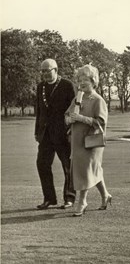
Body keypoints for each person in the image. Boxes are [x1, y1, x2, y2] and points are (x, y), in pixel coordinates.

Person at [65, 64, 111, 217]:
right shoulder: (77, 98)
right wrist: (68, 119)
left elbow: (101, 122)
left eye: (85, 79)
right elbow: (67, 115)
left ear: (93, 81)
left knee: (84, 171)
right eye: (80, 79)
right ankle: (105, 196)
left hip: (92, 142)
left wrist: (80, 118)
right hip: (77, 141)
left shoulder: (98, 100)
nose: (82, 82)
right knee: (93, 170)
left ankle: (82, 201)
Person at [35, 59, 76, 210]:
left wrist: (71, 129)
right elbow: (39, 111)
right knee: (42, 164)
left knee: (68, 166)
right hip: (45, 134)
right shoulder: (41, 87)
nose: (45, 73)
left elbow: (74, 109)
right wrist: (37, 132)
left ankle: (69, 198)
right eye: (43, 71)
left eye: (47, 70)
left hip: (63, 134)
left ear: (56, 70)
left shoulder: (67, 85)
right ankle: (49, 199)